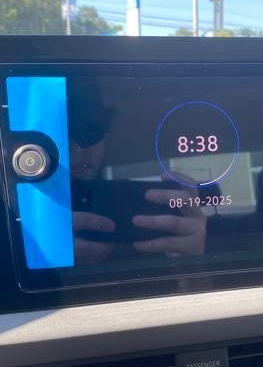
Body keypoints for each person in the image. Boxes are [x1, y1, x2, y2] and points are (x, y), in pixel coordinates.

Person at [68, 80, 206, 265]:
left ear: (106, 135)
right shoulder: (27, 226)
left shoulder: (154, 234)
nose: (74, 150)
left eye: (89, 132)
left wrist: (192, 267)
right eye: (56, 136)